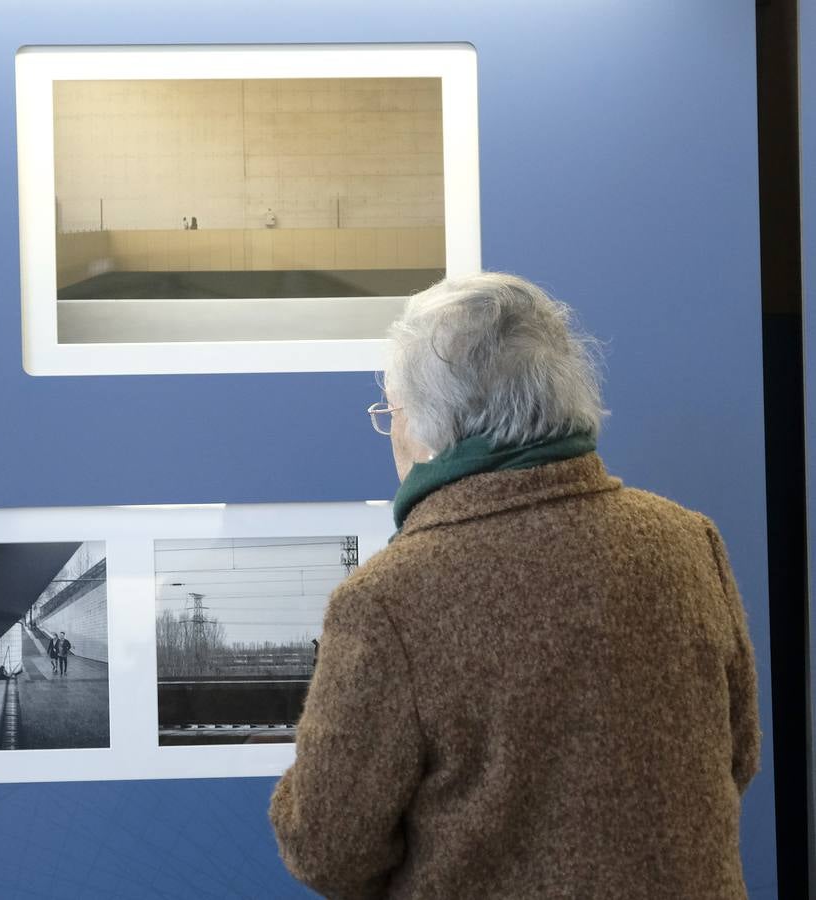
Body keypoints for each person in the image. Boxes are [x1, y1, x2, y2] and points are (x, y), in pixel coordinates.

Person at [269, 272, 760, 899]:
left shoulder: (388, 601)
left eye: (390, 411)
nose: (390, 429)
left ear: (430, 426)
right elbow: (736, 758)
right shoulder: (689, 541)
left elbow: (327, 848)